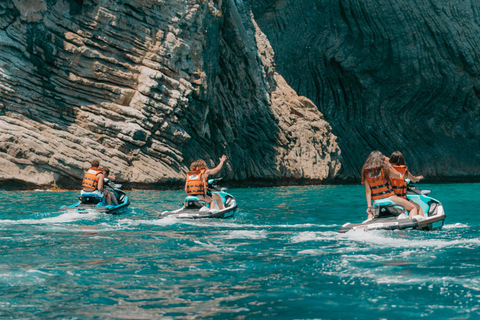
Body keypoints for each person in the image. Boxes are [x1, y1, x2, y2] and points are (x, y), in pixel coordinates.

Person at [361, 150, 420, 219]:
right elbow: (398, 175)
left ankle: (367, 225)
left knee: (371, 213)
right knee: (413, 207)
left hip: (377, 201)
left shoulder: (365, 172)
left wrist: (369, 206)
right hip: (390, 197)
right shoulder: (385, 168)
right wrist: (389, 164)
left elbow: (368, 191)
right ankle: (412, 223)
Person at [388, 150, 424, 215]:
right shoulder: (404, 171)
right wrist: (418, 178)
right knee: (417, 207)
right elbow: (413, 179)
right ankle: (418, 222)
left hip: (388, 198)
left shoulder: (387, 170)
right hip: (400, 199)